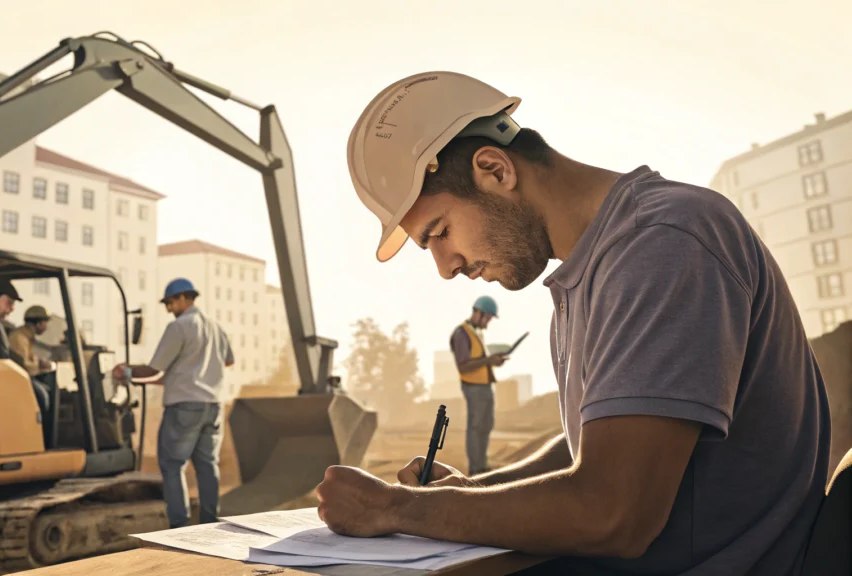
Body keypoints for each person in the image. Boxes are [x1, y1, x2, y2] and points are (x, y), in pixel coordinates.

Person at [315, 72, 831, 575]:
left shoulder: (666, 243)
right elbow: (610, 437)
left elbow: (611, 513)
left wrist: (395, 509)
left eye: (440, 232)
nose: (446, 266)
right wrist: (475, 494)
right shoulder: (595, 272)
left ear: (495, 169)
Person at [112, 278, 234, 528]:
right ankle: (211, 524)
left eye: (170, 302)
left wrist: (124, 373)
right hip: (212, 405)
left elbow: (152, 368)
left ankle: (179, 527)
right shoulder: (215, 328)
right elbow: (228, 362)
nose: (168, 308)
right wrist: (188, 374)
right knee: (207, 466)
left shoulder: (179, 327)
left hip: (184, 407)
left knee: (172, 463)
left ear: (183, 299)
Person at [450, 296, 506, 475]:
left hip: (484, 386)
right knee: (476, 428)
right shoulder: (462, 334)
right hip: (474, 388)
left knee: (485, 426)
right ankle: (476, 470)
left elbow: (478, 361)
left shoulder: (476, 333)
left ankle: (481, 465)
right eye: (488, 317)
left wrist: (493, 362)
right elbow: (463, 365)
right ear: (479, 313)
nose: (488, 321)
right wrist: (489, 360)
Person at [8, 305, 56, 377]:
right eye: (45, 322)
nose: (46, 327)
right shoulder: (19, 338)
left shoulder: (27, 337)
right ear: (38, 323)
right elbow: (23, 365)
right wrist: (40, 366)